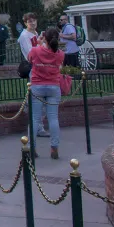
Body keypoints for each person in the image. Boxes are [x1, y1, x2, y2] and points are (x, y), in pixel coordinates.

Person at [29, 27, 65, 159]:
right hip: (53, 86)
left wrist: (37, 44)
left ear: (44, 38)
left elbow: (30, 59)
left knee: (34, 119)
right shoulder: (60, 54)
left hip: (37, 86)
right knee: (53, 118)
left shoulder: (36, 50)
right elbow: (59, 65)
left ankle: (31, 148)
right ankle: (54, 147)